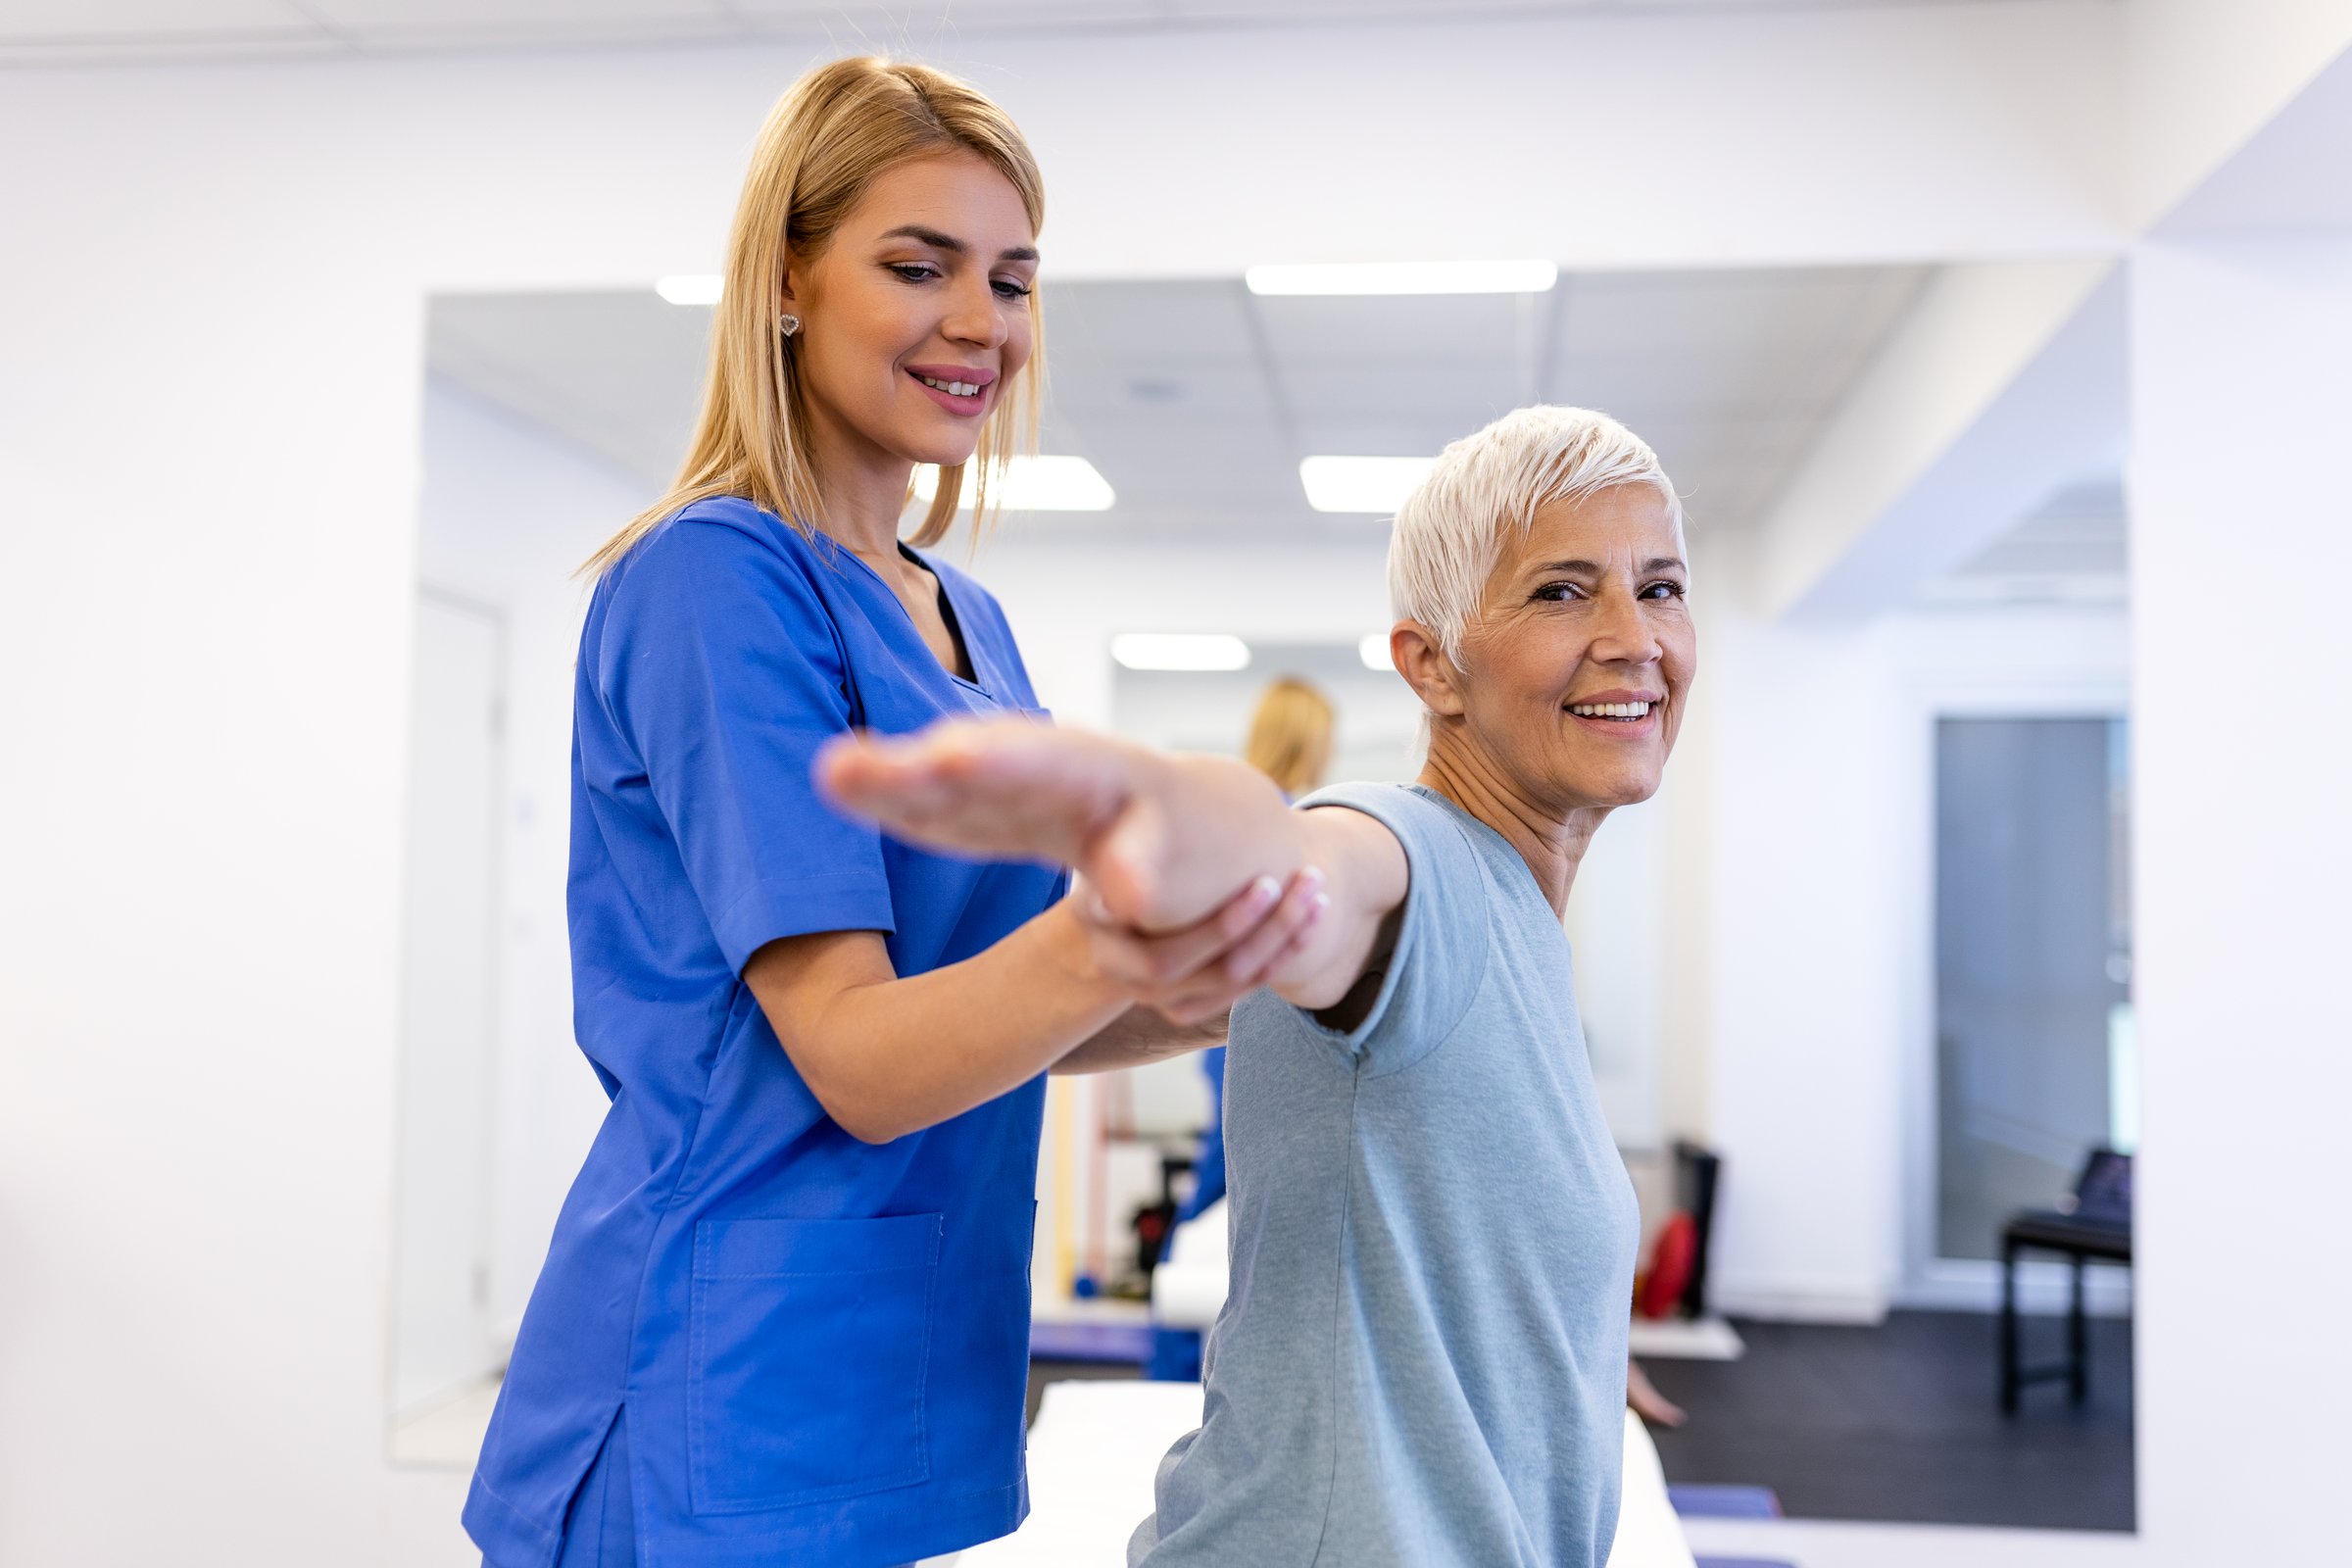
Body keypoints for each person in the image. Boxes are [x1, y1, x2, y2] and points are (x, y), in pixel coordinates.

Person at [463, 58, 1321, 1568]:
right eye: (918, 266)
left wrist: (1230, 980)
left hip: (902, 1363)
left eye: (1012, 278)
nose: (981, 322)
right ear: (787, 281)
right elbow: (860, 1056)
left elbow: (1000, 1012)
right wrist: (1125, 944)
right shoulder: (715, 582)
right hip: (715, 1386)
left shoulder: (965, 618)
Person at [820, 405, 1696, 1567]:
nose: (1633, 634)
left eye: (1663, 585)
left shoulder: (1520, 916)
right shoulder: (1412, 854)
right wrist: (1203, 830)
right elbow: (1315, 863)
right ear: (1430, 663)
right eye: (1561, 591)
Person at [1149, 676, 1333, 1382]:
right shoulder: (1280, 822)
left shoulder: (1253, 816)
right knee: (1221, 1210)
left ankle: (1184, 1367)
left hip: (1235, 1038)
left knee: (1220, 1209)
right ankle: (1171, 1373)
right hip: (1247, 1040)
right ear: (1307, 742)